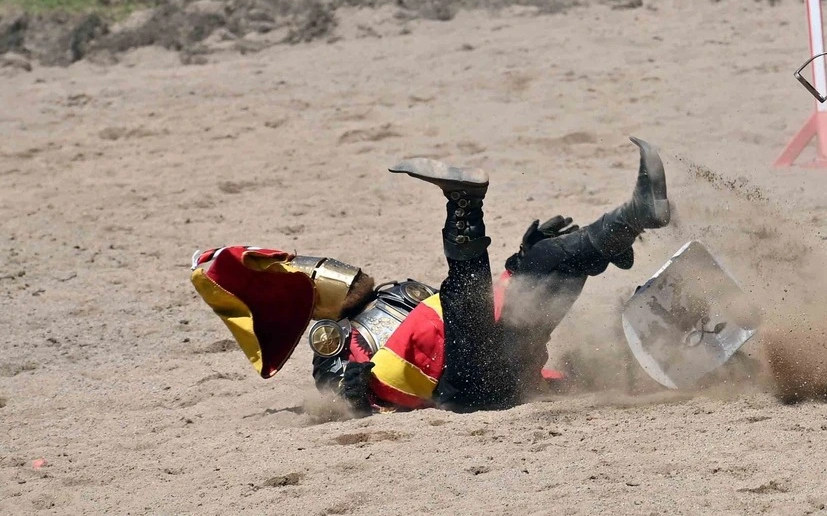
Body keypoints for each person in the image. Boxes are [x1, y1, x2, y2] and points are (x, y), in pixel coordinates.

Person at [190, 137, 671, 414]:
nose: (335, 269)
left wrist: (523, 264)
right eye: (320, 274)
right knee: (464, 306)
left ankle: (637, 215)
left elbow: (483, 310)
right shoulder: (336, 342)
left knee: (537, 263)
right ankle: (464, 207)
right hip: (471, 392)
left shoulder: (399, 294)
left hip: (507, 363)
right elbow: (343, 400)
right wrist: (348, 390)